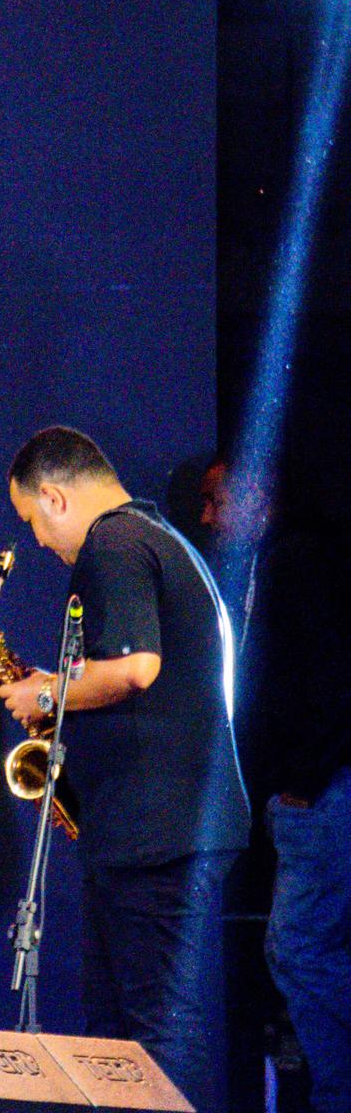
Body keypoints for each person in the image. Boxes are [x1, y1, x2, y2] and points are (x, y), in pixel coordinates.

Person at [0, 426, 251, 1113]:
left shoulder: (112, 543)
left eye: (32, 520)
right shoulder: (155, 538)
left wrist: (46, 694)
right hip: (161, 827)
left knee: (154, 1035)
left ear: (54, 496)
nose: (40, 542)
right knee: (120, 1038)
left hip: (157, 829)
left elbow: (138, 668)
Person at [201, 458, 351, 1113]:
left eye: (216, 499)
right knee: (302, 949)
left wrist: (306, 778)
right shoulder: (281, 561)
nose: (207, 517)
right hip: (311, 792)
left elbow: (331, 676)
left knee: (297, 948)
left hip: (323, 793)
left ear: (256, 493)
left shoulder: (299, 561)